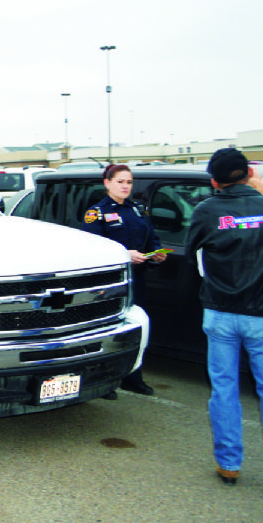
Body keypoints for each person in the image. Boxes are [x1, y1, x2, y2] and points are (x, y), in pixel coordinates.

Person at [185, 148, 263, 486]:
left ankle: (229, 464)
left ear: (214, 180)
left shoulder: (206, 210)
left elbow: (191, 253)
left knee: (224, 389)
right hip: (260, 314)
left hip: (219, 312)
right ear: (247, 174)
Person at [81, 164, 167, 396]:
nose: (125, 186)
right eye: (120, 181)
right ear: (107, 183)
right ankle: (100, 380)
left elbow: (151, 237)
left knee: (135, 327)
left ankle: (132, 376)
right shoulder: (96, 213)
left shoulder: (137, 209)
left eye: (129, 182)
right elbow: (91, 249)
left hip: (135, 280)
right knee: (104, 331)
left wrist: (156, 252)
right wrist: (125, 255)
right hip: (107, 285)